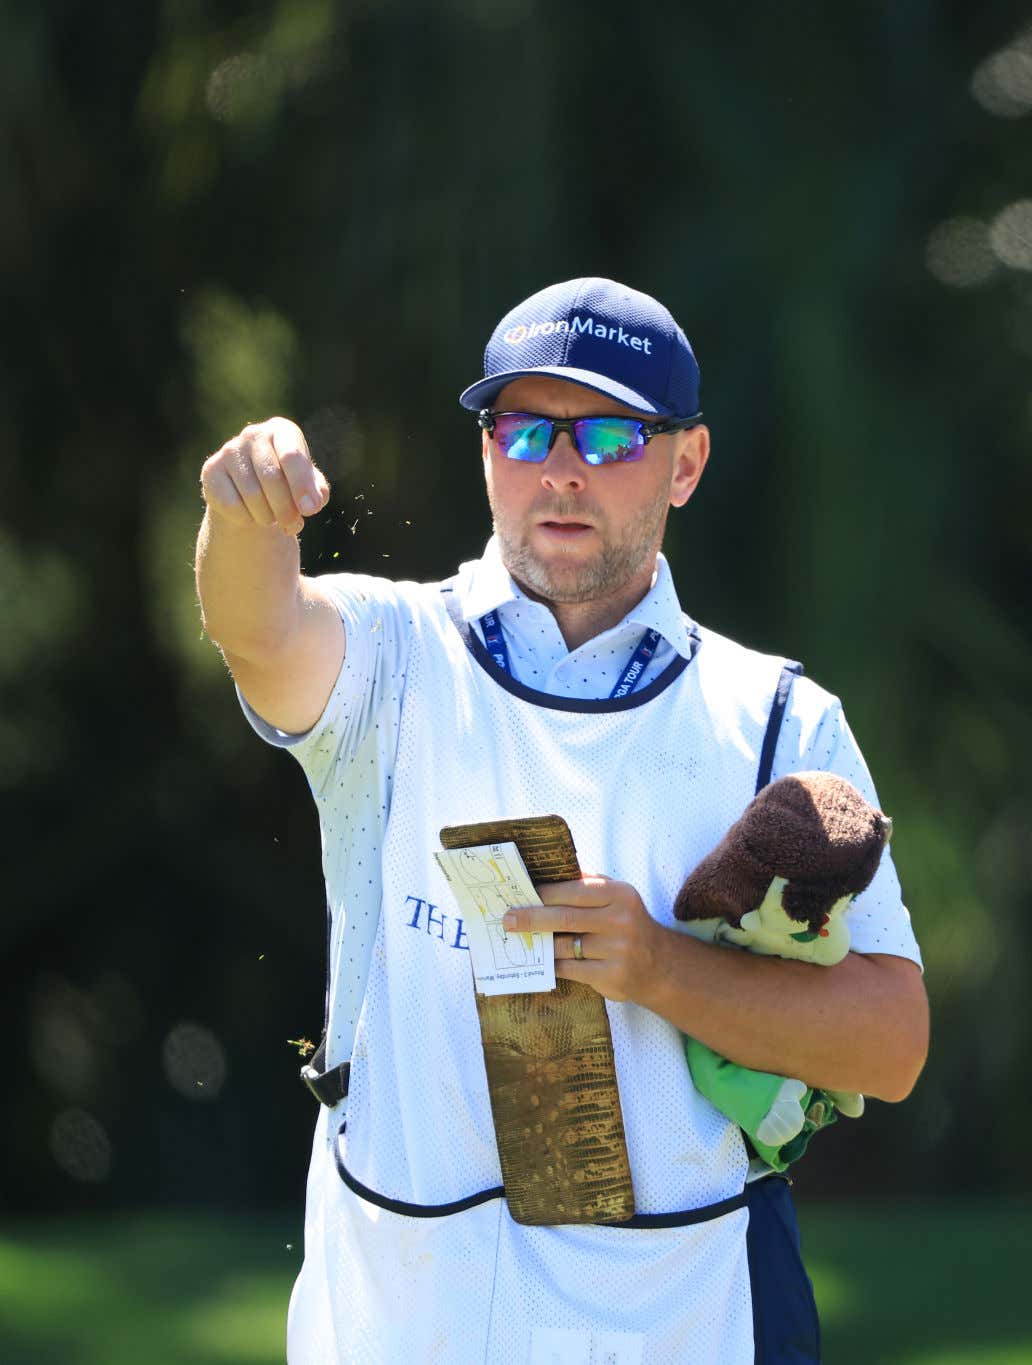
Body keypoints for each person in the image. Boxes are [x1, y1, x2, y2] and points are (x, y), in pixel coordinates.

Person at [195, 277, 928, 1362]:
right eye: (525, 428)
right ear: (487, 450)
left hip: (675, 1314)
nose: (563, 468)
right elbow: (256, 631)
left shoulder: (777, 717)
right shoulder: (393, 651)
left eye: (611, 433)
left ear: (686, 463)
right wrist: (242, 514)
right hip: (400, 1313)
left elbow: (892, 1044)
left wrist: (662, 972)